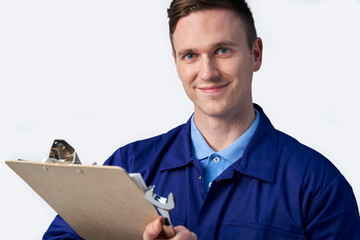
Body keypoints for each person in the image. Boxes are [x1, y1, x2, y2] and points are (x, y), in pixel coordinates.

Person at [43, 0, 360, 239]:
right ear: (177, 63)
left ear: (256, 54)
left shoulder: (318, 185)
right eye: (190, 55)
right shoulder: (128, 165)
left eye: (222, 50)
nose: (207, 72)